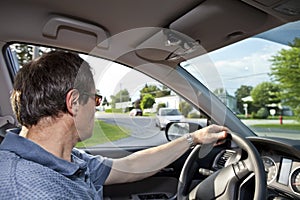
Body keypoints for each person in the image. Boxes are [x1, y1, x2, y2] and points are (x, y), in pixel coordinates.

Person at [0, 51, 228, 199]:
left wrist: (193, 138)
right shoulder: (29, 189)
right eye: (96, 99)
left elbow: (128, 167)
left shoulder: (66, 158)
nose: (97, 108)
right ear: (75, 102)